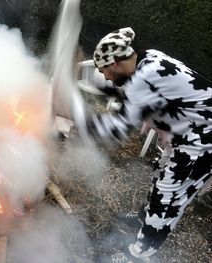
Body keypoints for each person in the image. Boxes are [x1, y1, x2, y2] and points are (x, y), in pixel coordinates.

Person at [82, 27, 212, 262]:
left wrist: (77, 116)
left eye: (103, 71)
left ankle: (139, 254)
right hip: (188, 133)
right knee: (161, 172)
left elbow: (118, 130)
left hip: (203, 141)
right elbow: (129, 91)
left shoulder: (144, 78)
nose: (104, 77)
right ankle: (146, 218)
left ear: (115, 64)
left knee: (168, 194)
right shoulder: (148, 59)